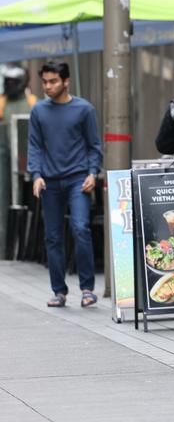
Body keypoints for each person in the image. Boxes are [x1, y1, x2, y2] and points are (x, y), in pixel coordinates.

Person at [27, 61, 103, 308]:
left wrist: (93, 172)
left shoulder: (84, 110)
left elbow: (94, 146)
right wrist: (36, 174)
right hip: (49, 181)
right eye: (45, 82)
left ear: (66, 81)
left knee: (81, 229)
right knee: (52, 237)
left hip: (77, 179)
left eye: (53, 81)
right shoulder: (38, 111)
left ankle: (87, 288)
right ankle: (59, 291)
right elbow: (35, 146)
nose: (48, 86)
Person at [0, 65, 38, 256]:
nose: (10, 85)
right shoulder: (2, 102)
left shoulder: (32, 102)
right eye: (8, 81)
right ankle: (5, 249)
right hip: (4, 161)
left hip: (28, 159)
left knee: (31, 202)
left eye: (14, 81)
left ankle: (27, 248)